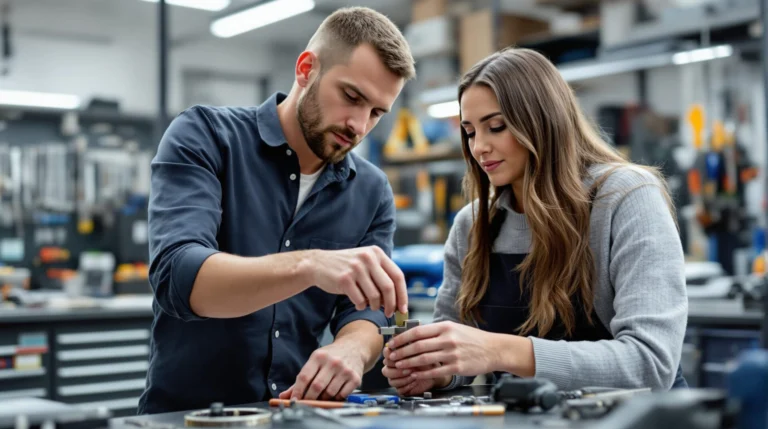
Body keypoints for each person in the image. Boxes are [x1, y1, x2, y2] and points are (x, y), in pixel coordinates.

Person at [139, 7, 416, 414]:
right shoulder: (205, 136)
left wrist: (353, 348)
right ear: (306, 69)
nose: (358, 124)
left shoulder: (371, 191)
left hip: (293, 416)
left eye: (376, 112)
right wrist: (309, 265)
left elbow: (367, 308)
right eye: (352, 97)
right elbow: (179, 277)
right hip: (185, 418)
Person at [382, 47, 688, 395]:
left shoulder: (625, 197)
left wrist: (497, 350)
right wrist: (435, 369)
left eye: (496, 127)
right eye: (469, 132)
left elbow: (651, 365)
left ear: (542, 122)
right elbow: (460, 355)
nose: (479, 146)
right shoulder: (472, 225)